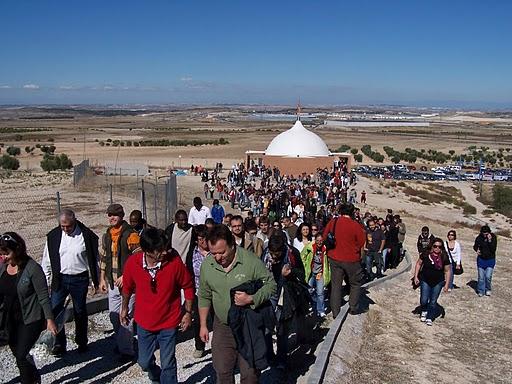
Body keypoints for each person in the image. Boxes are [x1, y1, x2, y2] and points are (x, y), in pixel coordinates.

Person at [198, 224, 276, 384]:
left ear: (232, 245)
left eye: (222, 252)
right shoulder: (208, 265)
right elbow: (204, 295)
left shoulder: (250, 261)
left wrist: (251, 298)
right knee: (222, 370)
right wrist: (203, 324)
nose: (218, 258)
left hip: (247, 325)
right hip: (223, 325)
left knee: (250, 374)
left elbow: (271, 285)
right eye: (213, 253)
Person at [121, 228, 194, 383]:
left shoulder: (174, 262)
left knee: (168, 363)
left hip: (169, 322)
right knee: (144, 362)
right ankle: (155, 377)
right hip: (144, 322)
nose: (165, 252)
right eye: (160, 250)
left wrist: (187, 312)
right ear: (148, 251)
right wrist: (124, 307)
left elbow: (188, 286)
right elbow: (127, 287)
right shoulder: (133, 263)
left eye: (166, 248)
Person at [0, 232, 57, 383]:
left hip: (30, 318)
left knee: (21, 356)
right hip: (11, 318)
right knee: (18, 352)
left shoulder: (33, 269)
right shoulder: (3, 267)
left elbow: (43, 296)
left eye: (7, 253)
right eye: (2, 253)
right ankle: (34, 377)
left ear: (17, 250)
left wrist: (50, 320)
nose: (4, 257)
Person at [41, 209, 100, 356]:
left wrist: (95, 281)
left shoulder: (85, 235)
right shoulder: (53, 236)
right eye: (63, 226)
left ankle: (81, 341)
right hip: (59, 279)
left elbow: (93, 260)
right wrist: (46, 281)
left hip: (79, 279)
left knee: (80, 311)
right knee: (55, 311)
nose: (66, 229)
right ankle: (59, 344)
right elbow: (47, 260)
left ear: (74, 221)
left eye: (68, 226)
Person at [98, 203, 140, 358]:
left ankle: (126, 351)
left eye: (115, 215)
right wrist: (102, 278)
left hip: (128, 285)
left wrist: (126, 276)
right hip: (112, 283)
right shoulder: (107, 234)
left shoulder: (131, 235)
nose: (111, 218)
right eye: (109, 215)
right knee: (114, 316)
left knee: (126, 317)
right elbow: (103, 258)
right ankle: (124, 342)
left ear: (122, 216)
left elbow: (138, 258)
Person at [262, 232, 308, 369]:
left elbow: (302, 273)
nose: (274, 257)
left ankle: (282, 358)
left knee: (282, 327)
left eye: (277, 254)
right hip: (269, 293)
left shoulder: (292, 254)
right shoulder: (265, 255)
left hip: (286, 294)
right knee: (267, 326)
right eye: (272, 253)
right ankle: (269, 356)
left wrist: (291, 272)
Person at [323, 203, 366, 317]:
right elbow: (362, 241)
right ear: (352, 212)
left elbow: (324, 236)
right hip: (351, 259)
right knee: (355, 283)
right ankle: (353, 307)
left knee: (336, 285)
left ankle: (335, 312)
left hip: (334, 257)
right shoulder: (355, 225)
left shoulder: (334, 222)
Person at [413, 238, 451, 325]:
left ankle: (430, 317)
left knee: (433, 300)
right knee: (424, 299)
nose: (437, 248)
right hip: (425, 279)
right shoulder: (426, 254)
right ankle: (424, 310)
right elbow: (418, 264)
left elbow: (447, 271)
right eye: (435, 246)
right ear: (432, 246)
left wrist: (447, 285)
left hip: (438, 281)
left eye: (439, 247)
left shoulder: (444, 257)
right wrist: (416, 277)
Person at [186, 224, 210, 358]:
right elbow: (189, 273)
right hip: (198, 293)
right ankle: (199, 346)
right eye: (201, 238)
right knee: (199, 321)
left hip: (215, 293)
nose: (204, 241)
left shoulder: (215, 253)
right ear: (196, 240)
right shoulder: (192, 254)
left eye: (206, 238)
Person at [301, 233, 330, 318]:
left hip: (320, 273)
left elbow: (328, 262)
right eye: (317, 240)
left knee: (320, 292)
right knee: (309, 290)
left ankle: (320, 310)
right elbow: (302, 256)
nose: (319, 242)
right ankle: (313, 304)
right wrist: (305, 266)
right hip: (311, 272)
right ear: (315, 240)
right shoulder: (310, 247)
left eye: (321, 241)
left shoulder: (325, 249)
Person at [473, 225, 497, 297]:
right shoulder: (479, 238)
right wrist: (476, 250)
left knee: (488, 276)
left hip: (490, 260)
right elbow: (475, 246)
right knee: (481, 277)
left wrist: (489, 241)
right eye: (483, 233)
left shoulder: (493, 237)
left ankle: (488, 289)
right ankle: (481, 290)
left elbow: (493, 249)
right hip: (481, 260)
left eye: (486, 233)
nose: (485, 235)